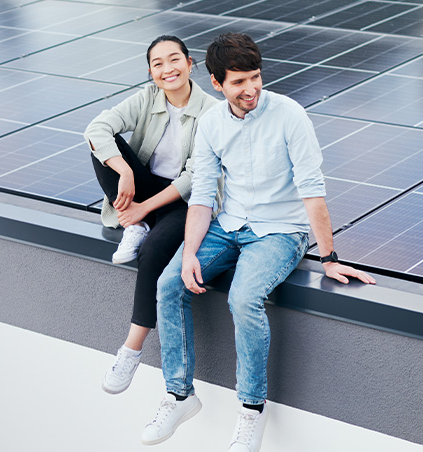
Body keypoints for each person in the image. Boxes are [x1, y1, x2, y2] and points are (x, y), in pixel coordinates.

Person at [139, 33, 376, 451]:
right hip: (228, 224)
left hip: (281, 230)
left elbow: (312, 190)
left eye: (255, 77)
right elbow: (203, 193)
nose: (250, 89)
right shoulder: (211, 123)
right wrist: (190, 253)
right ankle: (179, 394)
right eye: (238, 82)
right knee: (168, 283)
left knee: (243, 298)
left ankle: (251, 410)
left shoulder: (290, 115)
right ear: (216, 83)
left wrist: (329, 257)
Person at [85, 35, 218, 395]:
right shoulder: (147, 97)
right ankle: (138, 224)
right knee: (101, 149)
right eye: (157, 64)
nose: (167, 69)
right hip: (142, 187)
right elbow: (96, 130)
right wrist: (125, 172)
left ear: (191, 65)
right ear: (151, 73)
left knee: (153, 252)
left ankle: (131, 349)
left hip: (182, 200)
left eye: (174, 60)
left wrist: (145, 205)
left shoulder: (211, 112)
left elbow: (195, 176)